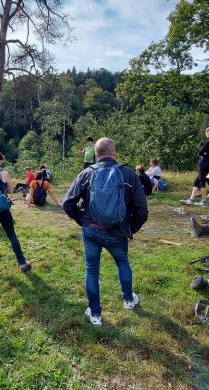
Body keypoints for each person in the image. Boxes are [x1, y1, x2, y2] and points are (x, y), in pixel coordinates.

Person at [63, 138, 149, 326]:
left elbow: (67, 203)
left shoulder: (86, 173)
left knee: (91, 270)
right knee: (122, 262)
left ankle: (95, 313)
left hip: (91, 231)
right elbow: (142, 211)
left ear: (95, 154)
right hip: (117, 233)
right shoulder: (128, 174)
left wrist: (82, 220)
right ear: (114, 153)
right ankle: (128, 300)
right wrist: (130, 228)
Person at [184, 125, 209, 206]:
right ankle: (191, 199)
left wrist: (204, 154)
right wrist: (206, 154)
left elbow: (201, 152)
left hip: (204, 164)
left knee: (202, 182)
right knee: (196, 181)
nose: (205, 134)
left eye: (206, 132)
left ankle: (204, 201)